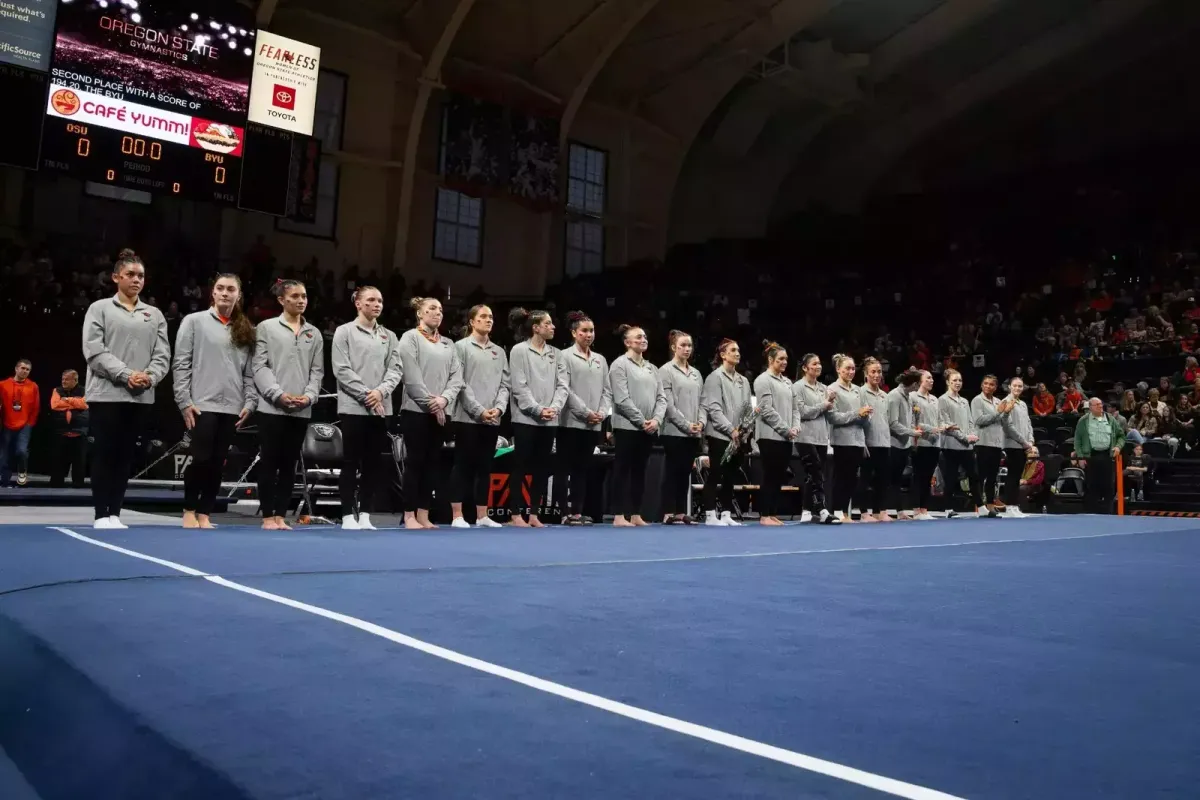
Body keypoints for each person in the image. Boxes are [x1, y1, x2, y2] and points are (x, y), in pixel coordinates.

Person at [81, 249, 170, 529]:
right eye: (130, 274)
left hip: (140, 396)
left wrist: (150, 377)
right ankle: (100, 514)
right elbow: (94, 351)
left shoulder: (153, 314)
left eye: (141, 275)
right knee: (105, 453)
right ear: (116, 276)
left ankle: (115, 513)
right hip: (107, 394)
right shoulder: (100, 309)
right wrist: (126, 374)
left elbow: (162, 355)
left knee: (125, 456)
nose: (136, 280)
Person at [173, 274, 258, 529]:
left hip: (232, 406)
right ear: (212, 292)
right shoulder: (194, 322)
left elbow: (250, 372)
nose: (225, 293)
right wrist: (184, 400)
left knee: (218, 463)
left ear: (238, 295)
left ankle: (205, 513)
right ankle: (189, 508)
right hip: (201, 403)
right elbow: (181, 363)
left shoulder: (246, 329)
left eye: (230, 289)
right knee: (200, 459)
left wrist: (250, 402)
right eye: (220, 288)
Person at [252, 279, 325, 531]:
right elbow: (259, 366)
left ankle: (281, 516)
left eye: (304, 296)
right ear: (282, 300)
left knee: (289, 464)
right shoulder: (266, 328)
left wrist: (309, 397)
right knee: (270, 461)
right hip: (272, 408)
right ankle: (267, 517)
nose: (301, 300)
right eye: (295, 296)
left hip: (301, 409)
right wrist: (277, 395)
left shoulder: (314, 333)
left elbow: (317, 372)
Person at [332, 286, 403, 531]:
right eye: (371, 300)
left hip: (381, 408)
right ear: (358, 304)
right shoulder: (344, 332)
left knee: (373, 463)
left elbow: (395, 369)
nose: (377, 304)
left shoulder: (389, 336)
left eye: (380, 300)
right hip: (353, 407)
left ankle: (365, 514)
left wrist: (380, 392)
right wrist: (367, 394)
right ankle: (346, 515)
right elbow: (341, 369)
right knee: (351, 461)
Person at [398, 296, 463, 529]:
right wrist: (432, 404)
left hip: (442, 412)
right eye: (432, 309)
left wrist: (444, 400)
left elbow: (457, 378)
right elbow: (411, 377)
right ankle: (408, 515)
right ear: (420, 313)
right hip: (415, 411)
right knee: (415, 462)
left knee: (432, 464)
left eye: (440, 309)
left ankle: (423, 514)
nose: (437, 313)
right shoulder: (410, 338)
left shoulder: (449, 343)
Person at [506, 308, 568, 527]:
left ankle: (533, 514)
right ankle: (515, 514)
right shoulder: (519, 351)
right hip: (526, 418)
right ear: (536, 328)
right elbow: (519, 386)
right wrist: (537, 409)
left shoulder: (556, 354)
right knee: (520, 465)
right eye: (548, 323)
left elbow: (563, 385)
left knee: (541, 467)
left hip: (550, 419)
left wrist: (554, 407)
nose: (552, 327)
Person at [449, 304, 509, 529]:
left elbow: (505, 384)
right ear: (472, 321)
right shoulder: (460, 347)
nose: (488, 320)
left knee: (485, 467)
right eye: (483, 317)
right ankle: (457, 515)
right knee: (463, 465)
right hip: (468, 417)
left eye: (491, 317)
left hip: (493, 418)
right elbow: (460, 383)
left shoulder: (499, 351)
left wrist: (499, 409)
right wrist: (479, 410)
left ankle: (482, 515)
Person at [609, 324, 666, 527]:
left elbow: (662, 398)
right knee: (622, 470)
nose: (643, 340)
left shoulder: (652, 368)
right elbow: (622, 399)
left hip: (648, 428)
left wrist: (657, 420)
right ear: (627, 342)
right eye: (638, 337)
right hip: (627, 426)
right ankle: (618, 515)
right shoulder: (619, 365)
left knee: (640, 471)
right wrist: (642, 421)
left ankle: (635, 514)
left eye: (645, 337)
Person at [557, 311, 609, 526]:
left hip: (593, 424)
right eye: (584, 331)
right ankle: (563, 513)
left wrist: (602, 413)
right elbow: (564, 389)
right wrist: (586, 412)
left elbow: (608, 390)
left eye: (591, 331)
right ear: (574, 333)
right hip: (570, 421)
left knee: (582, 469)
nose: (589, 334)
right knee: (564, 468)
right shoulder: (564, 356)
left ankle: (577, 512)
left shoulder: (600, 359)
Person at [700, 339, 752, 526]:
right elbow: (714, 409)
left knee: (730, 475)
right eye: (733, 350)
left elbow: (747, 409)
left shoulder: (744, 381)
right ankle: (710, 515)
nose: (737, 353)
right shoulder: (714, 377)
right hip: (719, 435)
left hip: (738, 437)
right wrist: (731, 430)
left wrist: (744, 431)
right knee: (716, 473)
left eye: (738, 350)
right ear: (723, 355)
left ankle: (727, 514)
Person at [658, 330, 706, 524]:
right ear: (673, 347)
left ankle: (679, 511)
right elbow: (668, 405)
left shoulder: (696, 373)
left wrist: (701, 422)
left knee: (685, 471)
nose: (687, 349)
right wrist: (687, 425)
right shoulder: (665, 371)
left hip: (694, 433)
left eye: (689, 346)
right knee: (672, 471)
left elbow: (703, 402)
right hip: (673, 431)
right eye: (683, 346)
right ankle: (668, 512)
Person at [939, 369, 994, 518]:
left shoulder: (964, 401)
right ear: (947, 382)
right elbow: (946, 423)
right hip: (950, 445)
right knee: (950, 477)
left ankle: (981, 507)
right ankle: (948, 508)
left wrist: (973, 435)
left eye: (960, 380)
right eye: (955, 380)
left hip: (967, 446)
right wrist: (964, 437)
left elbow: (971, 422)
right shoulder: (943, 400)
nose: (958, 383)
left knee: (974, 475)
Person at [754, 341, 797, 526]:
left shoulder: (788, 382)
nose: (785, 362)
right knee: (770, 475)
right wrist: (785, 429)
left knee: (779, 476)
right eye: (781, 359)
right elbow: (766, 409)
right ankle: (764, 515)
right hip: (769, 435)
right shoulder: (763, 380)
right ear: (771, 360)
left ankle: (772, 513)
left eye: (786, 359)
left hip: (786, 436)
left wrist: (795, 427)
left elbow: (795, 409)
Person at [792, 353, 838, 524]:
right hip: (805, 436)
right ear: (805, 368)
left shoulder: (824, 388)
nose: (818, 366)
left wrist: (831, 402)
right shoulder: (798, 387)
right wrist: (824, 405)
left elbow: (828, 414)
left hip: (821, 437)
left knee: (815, 475)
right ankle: (822, 509)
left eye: (819, 363)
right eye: (814, 364)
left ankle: (806, 511)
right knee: (816, 472)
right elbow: (802, 412)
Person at [827, 354, 871, 522]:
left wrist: (866, 415)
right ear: (838, 369)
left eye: (853, 369)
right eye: (847, 368)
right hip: (842, 440)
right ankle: (837, 510)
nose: (851, 371)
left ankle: (845, 512)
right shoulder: (832, 389)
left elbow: (863, 416)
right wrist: (856, 414)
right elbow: (833, 417)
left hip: (858, 440)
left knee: (853, 479)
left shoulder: (859, 390)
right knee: (842, 478)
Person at [1073, 396, 1125, 514]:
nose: (1100, 406)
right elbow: (1077, 440)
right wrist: (1080, 457)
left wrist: (1118, 446)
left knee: (1109, 487)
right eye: (1097, 405)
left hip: (1107, 456)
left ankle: (1108, 513)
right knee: (1091, 487)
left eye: (1101, 404)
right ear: (1090, 407)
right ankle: (1091, 514)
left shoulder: (1110, 419)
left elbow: (1121, 436)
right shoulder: (1083, 421)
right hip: (1090, 456)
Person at [886, 370, 923, 521]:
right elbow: (893, 423)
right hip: (893, 444)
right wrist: (911, 432)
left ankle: (900, 511)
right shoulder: (894, 396)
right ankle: (882, 511)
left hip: (904, 445)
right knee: (891, 480)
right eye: (918, 384)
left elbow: (909, 420)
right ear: (914, 384)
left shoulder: (908, 397)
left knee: (898, 480)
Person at [858, 357, 892, 522]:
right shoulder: (861, 392)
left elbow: (887, 420)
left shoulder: (885, 396)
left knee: (882, 479)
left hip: (884, 442)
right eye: (873, 371)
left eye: (879, 371)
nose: (877, 375)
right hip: (868, 442)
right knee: (865, 478)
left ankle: (881, 511)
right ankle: (864, 513)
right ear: (866, 374)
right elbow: (859, 419)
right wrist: (862, 442)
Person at [973, 374, 1012, 514]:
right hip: (983, 443)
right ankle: (979, 505)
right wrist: (998, 412)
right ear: (981, 385)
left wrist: (1006, 412)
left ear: (995, 387)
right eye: (986, 383)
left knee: (992, 477)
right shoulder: (977, 400)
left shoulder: (998, 401)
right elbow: (979, 420)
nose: (988, 386)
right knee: (981, 476)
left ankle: (990, 504)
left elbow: (1002, 421)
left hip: (996, 444)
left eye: (991, 384)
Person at [999, 376, 1037, 518]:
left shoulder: (1023, 404)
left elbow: (1028, 424)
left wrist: (1031, 440)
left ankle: (1014, 506)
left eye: (1020, 386)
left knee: (1016, 477)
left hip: (1023, 445)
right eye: (1015, 385)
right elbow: (1008, 427)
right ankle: (1009, 506)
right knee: (1012, 477)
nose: (1017, 388)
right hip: (1011, 445)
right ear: (1009, 386)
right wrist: (1024, 441)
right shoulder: (1006, 401)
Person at [0, 359, 39, 488]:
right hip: (6, 423)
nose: (25, 371)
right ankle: (4, 481)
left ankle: (22, 473)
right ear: (16, 369)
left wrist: (30, 423)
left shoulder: (33, 386)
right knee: (5, 453)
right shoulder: (3, 384)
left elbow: (36, 407)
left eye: (28, 369)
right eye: (23, 368)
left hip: (25, 425)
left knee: (22, 451)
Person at [910, 370, 942, 520]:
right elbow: (913, 422)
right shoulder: (913, 397)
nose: (932, 380)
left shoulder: (935, 399)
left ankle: (924, 508)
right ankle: (916, 509)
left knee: (929, 476)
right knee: (919, 476)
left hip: (935, 443)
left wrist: (944, 426)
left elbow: (939, 419)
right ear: (920, 380)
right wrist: (932, 429)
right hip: (920, 442)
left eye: (932, 378)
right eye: (928, 378)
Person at [48, 369, 88, 488]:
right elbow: (55, 405)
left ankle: (78, 486)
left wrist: (66, 400)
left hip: (79, 432)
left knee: (79, 462)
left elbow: (85, 404)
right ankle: (55, 485)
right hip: (61, 432)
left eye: (67, 379)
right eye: (62, 379)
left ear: (75, 380)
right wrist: (76, 403)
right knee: (58, 461)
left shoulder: (84, 390)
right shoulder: (57, 390)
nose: (63, 381)